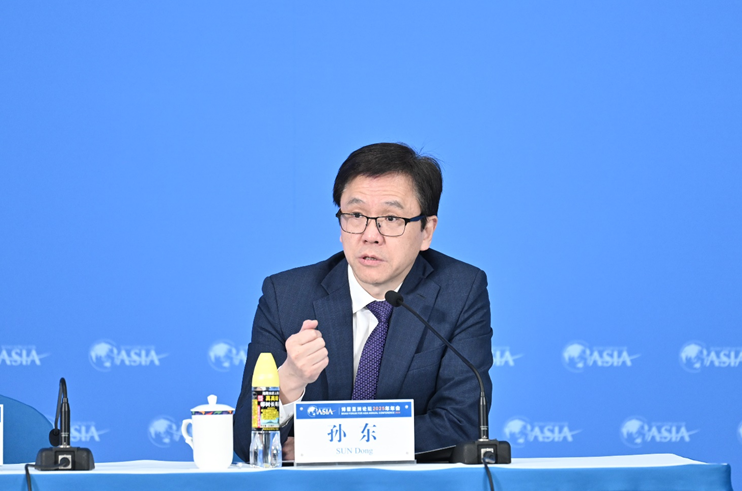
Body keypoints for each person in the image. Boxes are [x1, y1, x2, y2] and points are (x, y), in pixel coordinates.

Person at [233, 142, 493, 461]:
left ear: (426, 230)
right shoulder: (285, 295)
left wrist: (324, 446)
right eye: (356, 215)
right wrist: (288, 382)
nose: (370, 235)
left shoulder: (459, 291)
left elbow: (461, 424)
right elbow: (246, 442)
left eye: (391, 218)